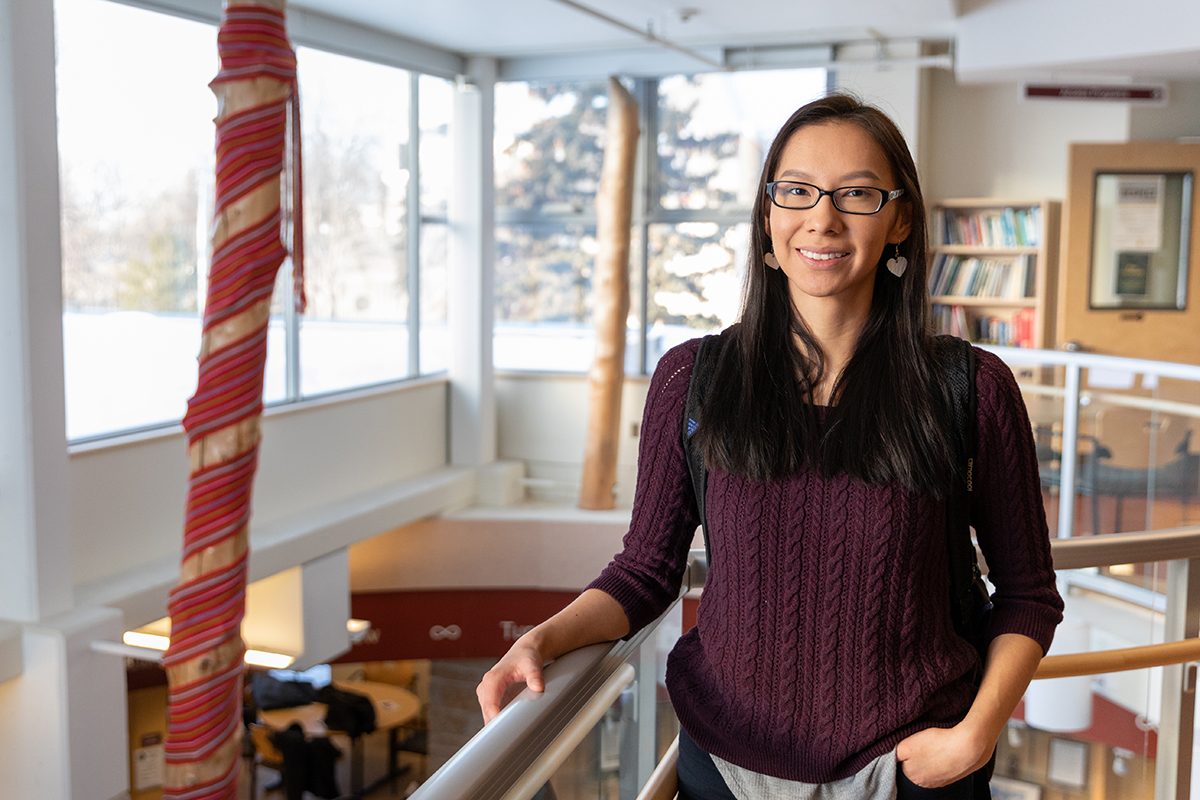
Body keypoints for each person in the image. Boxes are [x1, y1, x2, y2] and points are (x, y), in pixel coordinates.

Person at [476, 93, 1064, 800]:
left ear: (901, 218)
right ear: (767, 214)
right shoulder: (693, 378)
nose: (822, 217)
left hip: (909, 769)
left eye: (857, 193)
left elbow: (1028, 595)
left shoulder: (970, 388)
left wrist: (974, 737)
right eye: (797, 191)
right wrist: (543, 639)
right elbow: (646, 571)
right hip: (723, 767)